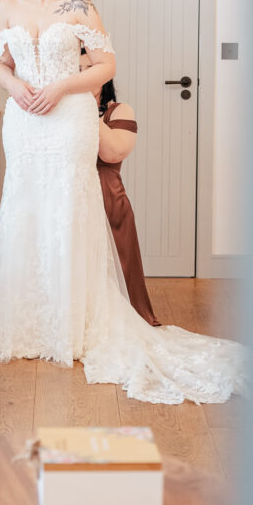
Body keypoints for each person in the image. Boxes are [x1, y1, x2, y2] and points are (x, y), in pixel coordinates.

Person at [0, 0, 247, 405]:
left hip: (67, 121)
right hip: (23, 124)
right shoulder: (8, 5)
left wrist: (61, 86)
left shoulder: (82, 8)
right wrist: (15, 88)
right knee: (26, 209)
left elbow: (106, 66)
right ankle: (27, 326)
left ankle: (72, 325)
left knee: (67, 209)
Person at [86, 57, 160, 326]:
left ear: (104, 76)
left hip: (107, 198)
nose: (83, 77)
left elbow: (113, 151)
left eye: (89, 71)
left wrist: (83, 107)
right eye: (76, 71)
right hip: (69, 197)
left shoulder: (119, 111)